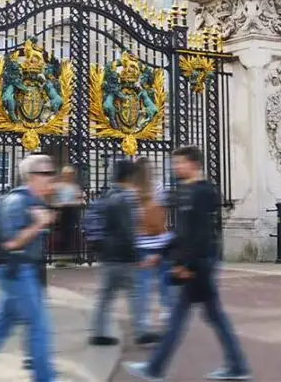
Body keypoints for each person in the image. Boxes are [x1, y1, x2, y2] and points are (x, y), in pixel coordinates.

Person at [124, 145, 250, 382]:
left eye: (179, 163)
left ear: (193, 164)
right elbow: (182, 233)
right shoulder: (187, 190)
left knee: (184, 319)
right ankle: (236, 365)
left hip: (198, 264)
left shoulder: (201, 192)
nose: (176, 167)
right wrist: (161, 254)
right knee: (209, 316)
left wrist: (186, 265)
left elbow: (200, 235)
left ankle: (155, 368)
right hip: (197, 263)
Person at [0, 153, 60, 382]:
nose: (51, 179)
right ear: (31, 176)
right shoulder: (16, 202)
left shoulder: (34, 202)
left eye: (51, 173)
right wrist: (38, 224)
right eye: (46, 174)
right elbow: (10, 243)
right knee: (39, 326)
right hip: (17, 273)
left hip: (23, 272)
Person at [90, 160, 153, 346]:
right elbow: (128, 230)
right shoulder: (126, 198)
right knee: (134, 293)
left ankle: (98, 332)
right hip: (123, 256)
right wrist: (135, 255)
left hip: (108, 254)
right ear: (129, 177)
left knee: (105, 296)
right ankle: (141, 331)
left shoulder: (107, 195)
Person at [134, 157, 173, 332]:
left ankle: (143, 319)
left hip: (141, 242)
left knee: (144, 284)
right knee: (164, 279)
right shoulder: (158, 186)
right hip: (160, 240)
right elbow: (163, 212)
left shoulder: (132, 190)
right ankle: (166, 309)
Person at [52, 166, 84, 264]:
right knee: (61, 234)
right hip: (61, 212)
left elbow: (80, 199)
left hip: (72, 212)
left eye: (70, 174)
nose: (68, 176)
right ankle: (61, 257)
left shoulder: (75, 187)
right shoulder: (59, 186)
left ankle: (72, 256)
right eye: (66, 174)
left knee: (71, 234)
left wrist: (78, 202)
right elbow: (53, 199)